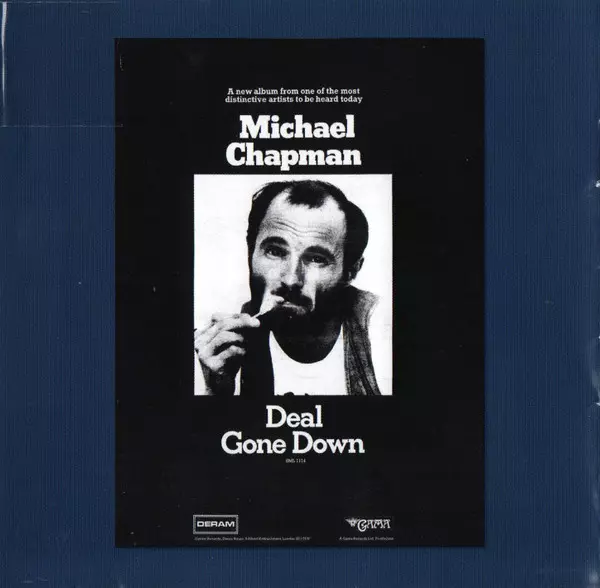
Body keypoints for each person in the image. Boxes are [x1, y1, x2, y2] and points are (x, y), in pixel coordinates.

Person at [194, 179, 392, 396]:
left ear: (351, 271)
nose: (291, 279)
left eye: (317, 259)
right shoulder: (214, 350)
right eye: (275, 251)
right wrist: (215, 393)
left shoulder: (383, 334)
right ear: (251, 252)